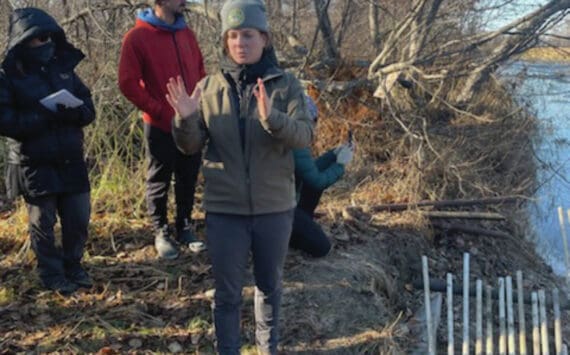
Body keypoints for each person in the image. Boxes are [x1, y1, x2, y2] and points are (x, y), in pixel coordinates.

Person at [167, 0, 314, 352]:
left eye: (247, 34)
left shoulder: (286, 84)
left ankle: (268, 348)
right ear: (224, 41)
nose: (239, 43)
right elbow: (190, 146)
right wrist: (185, 118)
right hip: (224, 209)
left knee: (269, 287)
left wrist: (272, 118)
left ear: (264, 38)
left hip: (274, 208)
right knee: (228, 293)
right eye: (232, 36)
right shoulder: (209, 87)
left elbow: (305, 137)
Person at [0, 7, 96, 294]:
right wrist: (43, 116)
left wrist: (73, 113)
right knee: (43, 223)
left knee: (78, 217)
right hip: (34, 161)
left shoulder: (63, 69)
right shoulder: (8, 76)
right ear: (24, 41)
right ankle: (51, 274)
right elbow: (5, 120)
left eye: (49, 37)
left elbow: (88, 108)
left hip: (70, 156)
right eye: (39, 38)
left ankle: (74, 266)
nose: (46, 43)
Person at [118, 0, 206, 259]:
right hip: (159, 123)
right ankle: (160, 230)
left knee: (188, 174)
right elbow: (127, 83)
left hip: (190, 121)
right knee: (159, 178)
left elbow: (200, 70)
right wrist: (157, 109)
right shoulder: (137, 37)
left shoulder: (186, 33)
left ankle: (184, 226)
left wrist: (197, 103)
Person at [290, 96, 354, 257]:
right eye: (314, 120)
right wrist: (339, 166)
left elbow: (308, 170)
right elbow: (317, 181)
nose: (315, 126)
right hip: (280, 209)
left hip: (274, 205)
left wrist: (333, 155)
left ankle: (300, 228)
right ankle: (295, 236)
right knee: (322, 248)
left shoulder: (287, 134)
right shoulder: (296, 143)